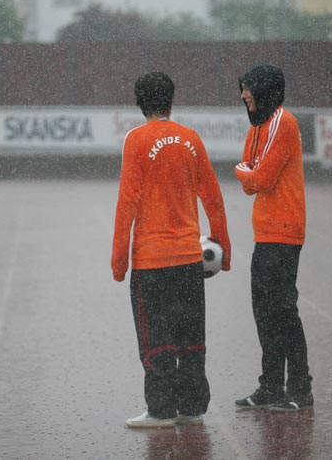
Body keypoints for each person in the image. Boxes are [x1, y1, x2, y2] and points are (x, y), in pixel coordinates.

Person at [111, 71, 231, 428]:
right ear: (171, 100)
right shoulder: (191, 139)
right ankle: (193, 407)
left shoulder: (136, 140)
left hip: (152, 262)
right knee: (191, 335)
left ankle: (161, 409)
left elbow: (127, 202)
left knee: (156, 336)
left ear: (139, 102)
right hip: (190, 259)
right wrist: (225, 247)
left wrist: (119, 262)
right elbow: (213, 196)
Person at [233, 64, 313, 411]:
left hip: (284, 231)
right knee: (264, 312)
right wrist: (247, 173)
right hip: (265, 232)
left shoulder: (283, 122)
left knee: (283, 312)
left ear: (264, 89)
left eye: (248, 88)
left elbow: (258, 178)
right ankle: (271, 386)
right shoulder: (257, 126)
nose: (243, 95)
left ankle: (300, 388)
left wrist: (245, 173)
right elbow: (249, 176)